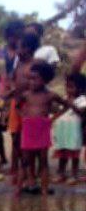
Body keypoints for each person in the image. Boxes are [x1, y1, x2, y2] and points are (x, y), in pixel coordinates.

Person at [19, 62, 77, 194]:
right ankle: (20, 189)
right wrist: (23, 116)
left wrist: (54, 117)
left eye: (35, 79)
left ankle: (44, 190)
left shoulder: (50, 95)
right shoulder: (26, 95)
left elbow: (67, 105)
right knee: (25, 160)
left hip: (42, 128)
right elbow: (17, 106)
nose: (31, 82)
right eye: (30, 79)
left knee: (43, 160)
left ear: (45, 80)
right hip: (28, 128)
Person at [0, 21, 25, 174]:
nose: (14, 39)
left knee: (16, 130)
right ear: (7, 36)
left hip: (19, 94)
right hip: (2, 94)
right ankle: (2, 158)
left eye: (17, 36)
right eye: (12, 36)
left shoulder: (24, 52)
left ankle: (18, 162)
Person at [4, 33, 41, 181]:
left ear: (28, 48)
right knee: (16, 138)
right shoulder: (18, 64)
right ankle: (23, 170)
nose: (17, 50)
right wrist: (10, 93)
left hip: (30, 106)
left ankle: (31, 173)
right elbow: (15, 82)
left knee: (30, 141)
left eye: (19, 47)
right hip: (16, 104)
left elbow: (40, 84)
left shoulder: (36, 65)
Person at [52, 73, 86, 182]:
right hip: (62, 129)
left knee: (74, 154)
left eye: (71, 87)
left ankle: (74, 174)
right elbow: (59, 111)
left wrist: (71, 104)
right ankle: (61, 173)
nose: (68, 90)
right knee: (62, 153)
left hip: (74, 130)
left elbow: (82, 113)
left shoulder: (83, 100)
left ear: (80, 88)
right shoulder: (64, 98)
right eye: (67, 87)